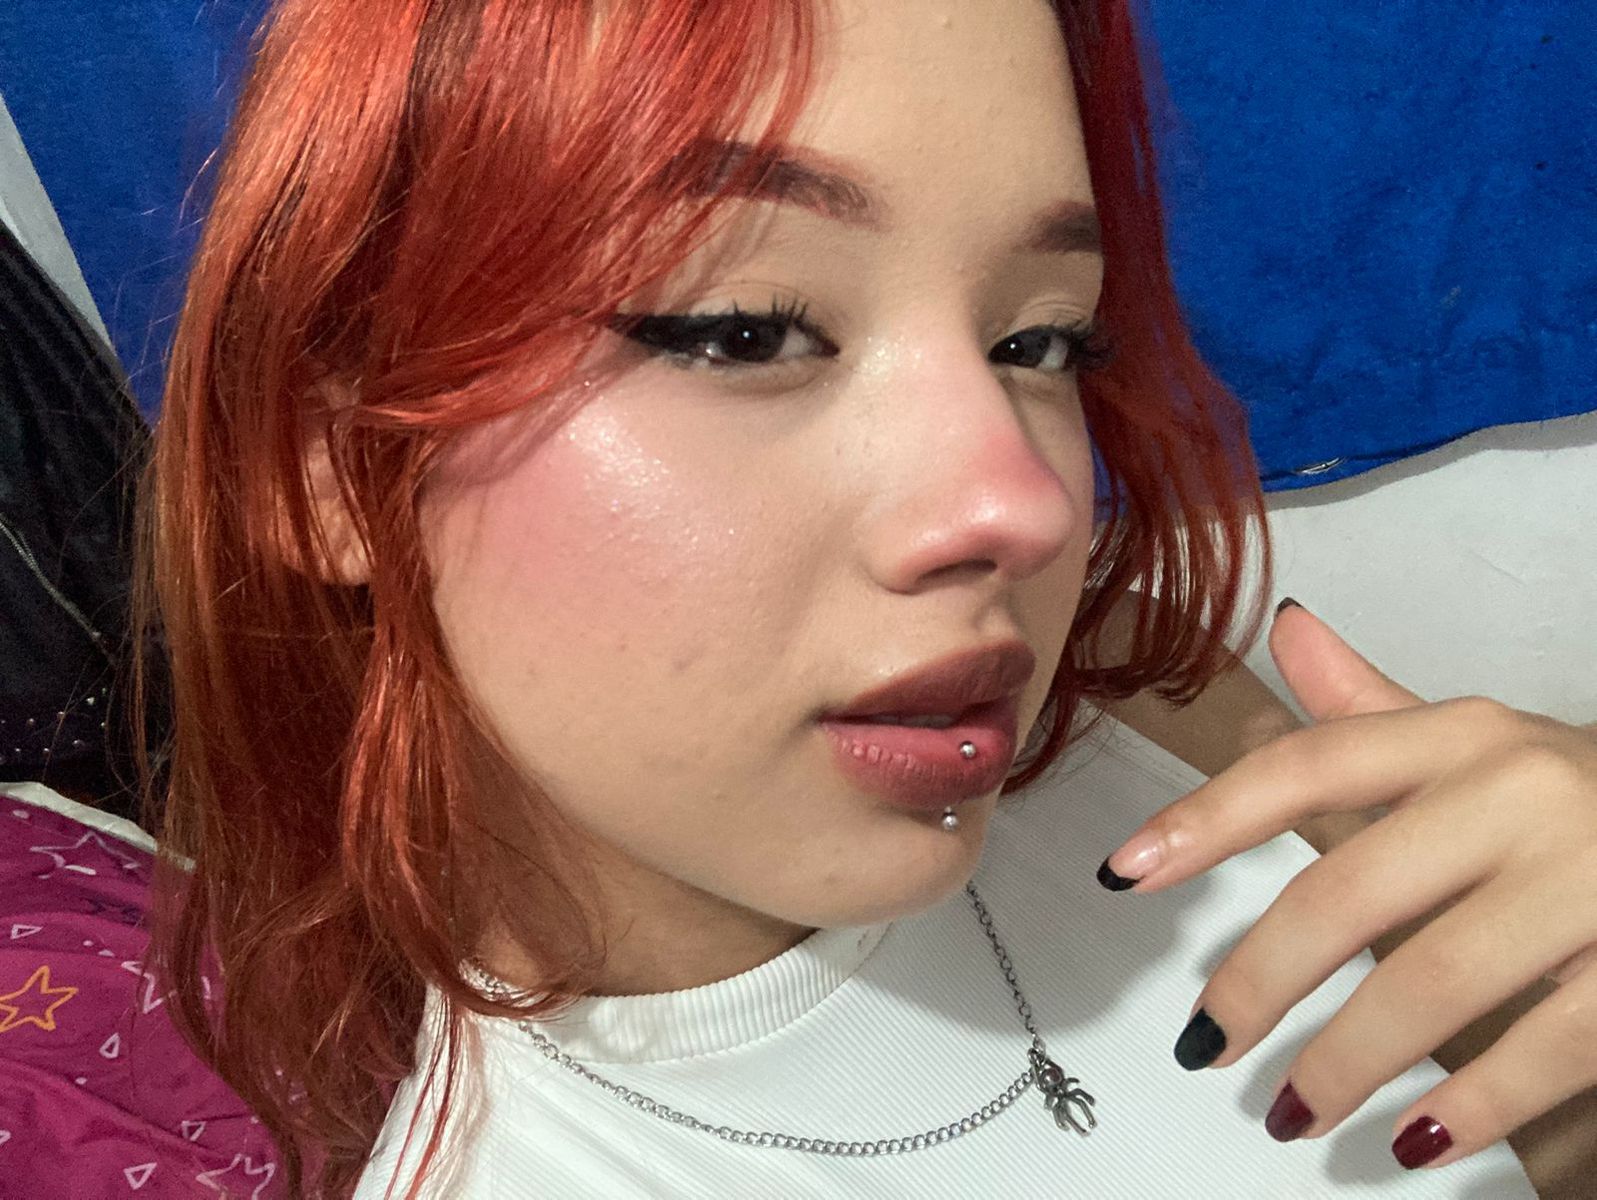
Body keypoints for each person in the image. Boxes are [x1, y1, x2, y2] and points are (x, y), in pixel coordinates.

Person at [134, 0, 1597, 1196]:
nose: (1026, 508)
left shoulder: (1133, 693)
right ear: (322, 470)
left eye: (1040, 341)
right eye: (744, 328)